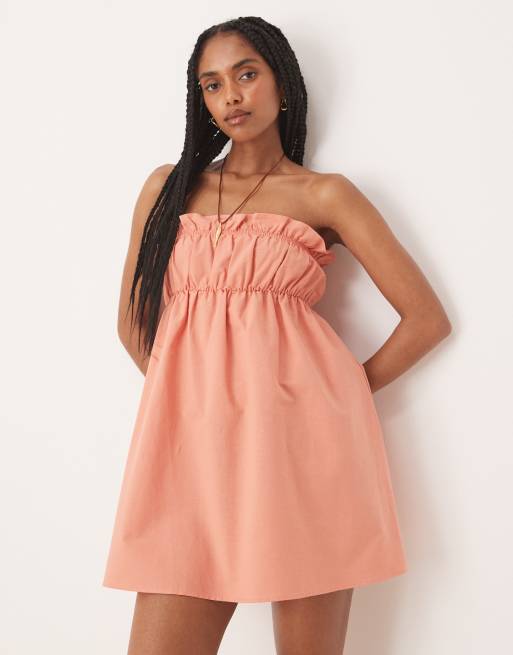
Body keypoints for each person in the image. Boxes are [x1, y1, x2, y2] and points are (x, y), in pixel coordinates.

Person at [102, 16, 452, 655]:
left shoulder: (325, 195)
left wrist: (338, 395)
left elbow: (426, 319)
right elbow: (132, 324)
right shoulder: (168, 188)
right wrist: (199, 404)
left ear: (282, 84)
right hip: (190, 459)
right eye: (212, 85)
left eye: (246, 74)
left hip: (303, 451)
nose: (230, 96)